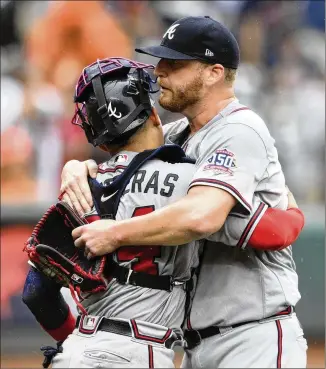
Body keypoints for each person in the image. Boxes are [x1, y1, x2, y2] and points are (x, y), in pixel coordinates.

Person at [22, 57, 302, 369]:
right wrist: (290, 206)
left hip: (78, 348)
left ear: (99, 138)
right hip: (137, 352)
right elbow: (275, 231)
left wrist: (74, 342)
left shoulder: (81, 187)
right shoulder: (189, 182)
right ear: (153, 115)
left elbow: (35, 291)